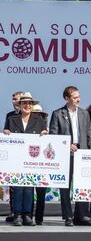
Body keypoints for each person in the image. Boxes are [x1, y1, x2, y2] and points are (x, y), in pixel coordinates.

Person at [49, 86, 91, 226]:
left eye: (79, 96)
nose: (78, 99)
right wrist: (66, 145)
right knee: (65, 186)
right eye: (75, 97)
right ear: (66, 99)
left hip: (83, 153)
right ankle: (68, 216)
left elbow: (89, 134)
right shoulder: (57, 113)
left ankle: (82, 216)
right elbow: (53, 136)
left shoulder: (84, 113)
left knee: (83, 184)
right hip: (66, 153)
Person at [3, 92, 48, 226]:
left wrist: (44, 133)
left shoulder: (39, 120)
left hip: (32, 161)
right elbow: (6, 136)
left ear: (32, 105)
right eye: (24, 103)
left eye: (29, 103)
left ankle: (27, 215)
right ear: (20, 105)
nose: (27, 105)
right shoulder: (12, 119)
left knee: (29, 187)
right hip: (16, 160)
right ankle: (17, 215)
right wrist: (6, 133)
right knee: (17, 187)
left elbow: (44, 138)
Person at [3, 91, 22, 223]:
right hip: (14, 154)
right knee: (13, 185)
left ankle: (23, 213)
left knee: (25, 187)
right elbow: (5, 130)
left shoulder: (31, 115)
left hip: (27, 155)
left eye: (16, 99)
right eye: (13, 99)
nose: (14, 101)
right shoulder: (9, 115)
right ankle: (13, 212)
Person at [30, 104, 49, 226]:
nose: (38, 116)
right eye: (36, 114)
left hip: (42, 166)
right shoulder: (27, 128)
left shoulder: (47, 131)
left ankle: (39, 218)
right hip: (30, 165)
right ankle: (28, 215)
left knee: (41, 194)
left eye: (40, 114)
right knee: (28, 193)